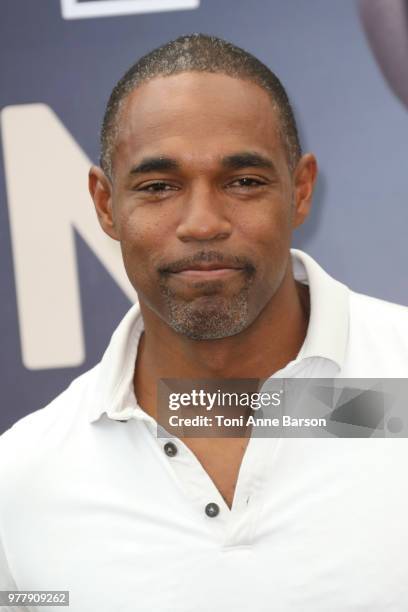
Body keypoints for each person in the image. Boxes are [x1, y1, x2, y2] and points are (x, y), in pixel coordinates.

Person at [0, 34, 407, 612]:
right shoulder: (23, 480)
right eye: (159, 187)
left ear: (301, 190)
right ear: (105, 204)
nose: (203, 223)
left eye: (243, 181)